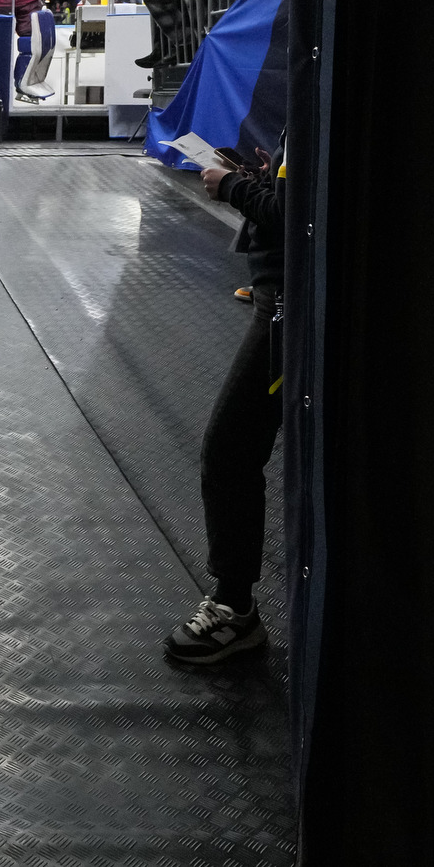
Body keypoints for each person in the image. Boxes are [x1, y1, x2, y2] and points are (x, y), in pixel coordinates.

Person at [165, 139, 286, 665]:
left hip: (286, 308)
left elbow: (296, 213)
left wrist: (233, 187)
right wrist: (261, 178)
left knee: (230, 452)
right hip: (277, 297)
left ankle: (234, 611)